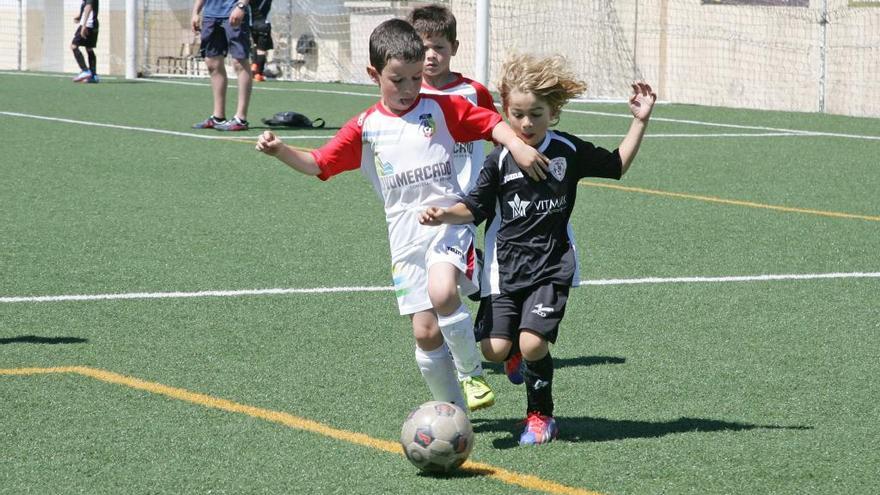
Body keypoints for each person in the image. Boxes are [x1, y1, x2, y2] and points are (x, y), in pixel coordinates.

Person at [255, 19, 550, 412]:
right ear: (374, 74)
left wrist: (517, 145)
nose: (410, 88)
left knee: (443, 291)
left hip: (449, 223)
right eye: (399, 80)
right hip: (405, 239)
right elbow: (318, 164)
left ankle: (470, 373)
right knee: (425, 332)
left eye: (415, 78)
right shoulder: (366, 128)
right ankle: (450, 410)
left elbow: (492, 123)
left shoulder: (442, 107)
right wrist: (281, 151)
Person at [419, 53, 657, 444]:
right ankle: (513, 352)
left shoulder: (567, 150)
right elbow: (474, 208)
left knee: (533, 343)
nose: (527, 124)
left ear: (553, 112)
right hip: (504, 267)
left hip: (552, 264)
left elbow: (615, 165)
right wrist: (444, 215)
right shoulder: (499, 161)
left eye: (537, 114)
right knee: (494, 350)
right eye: (517, 115)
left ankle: (540, 416)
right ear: (505, 111)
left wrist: (640, 120)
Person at [191, 0, 253, 131]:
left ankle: (240, 119)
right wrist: (196, 11)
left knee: (239, 62)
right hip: (210, 14)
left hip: (234, 11)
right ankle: (218, 117)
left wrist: (241, 6)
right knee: (211, 63)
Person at [71, 0, 100, 83]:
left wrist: (83, 25)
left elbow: (89, 7)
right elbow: (86, 6)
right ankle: (93, 76)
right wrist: (80, 16)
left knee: (74, 46)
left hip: (88, 24)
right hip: (93, 24)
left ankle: (85, 70)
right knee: (89, 48)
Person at [249, 0, 273, 82]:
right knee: (262, 51)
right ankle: (258, 73)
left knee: (255, 46)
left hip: (252, 24)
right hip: (263, 25)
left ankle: (254, 65)